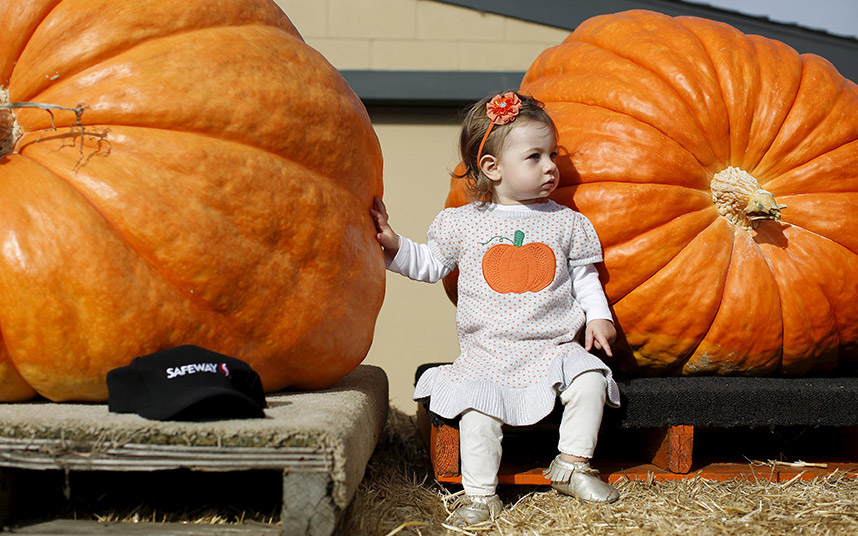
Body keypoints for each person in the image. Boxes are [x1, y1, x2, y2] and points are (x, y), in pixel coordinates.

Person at [371, 91, 620, 527]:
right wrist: (394, 243)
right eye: (535, 157)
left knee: (591, 380)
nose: (549, 167)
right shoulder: (463, 222)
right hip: (488, 353)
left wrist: (600, 316)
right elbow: (430, 265)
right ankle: (480, 494)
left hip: (553, 348)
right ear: (492, 168)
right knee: (477, 413)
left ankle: (572, 464)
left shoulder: (567, 222)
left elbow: (585, 279)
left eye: (552, 155)